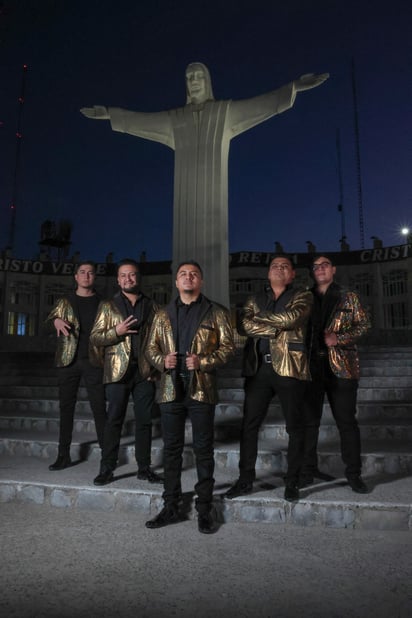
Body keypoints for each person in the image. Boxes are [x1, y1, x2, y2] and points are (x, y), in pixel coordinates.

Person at [80, 63, 328, 307]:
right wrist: (112, 114)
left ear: (208, 81)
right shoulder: (175, 119)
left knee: (213, 269)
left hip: (213, 207)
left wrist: (292, 87)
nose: (194, 80)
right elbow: (142, 121)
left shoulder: (224, 112)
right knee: (183, 254)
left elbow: (261, 104)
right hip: (184, 209)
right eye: (189, 77)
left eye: (198, 75)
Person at [144, 261, 235, 533]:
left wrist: (204, 362)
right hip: (170, 389)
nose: (188, 277)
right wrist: (162, 360)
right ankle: (171, 506)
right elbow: (150, 348)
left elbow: (229, 348)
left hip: (201, 388)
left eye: (193, 274)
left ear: (201, 281)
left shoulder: (216, 312)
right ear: (176, 282)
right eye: (183, 274)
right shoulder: (162, 314)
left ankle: (204, 509)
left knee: (203, 450)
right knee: (171, 450)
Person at [225, 255, 312, 502]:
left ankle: (292, 481)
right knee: (249, 426)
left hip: (289, 368)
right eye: (275, 266)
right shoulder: (256, 298)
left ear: (292, 274)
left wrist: (259, 320)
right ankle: (245, 480)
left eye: (285, 266)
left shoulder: (303, 296)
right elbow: (243, 325)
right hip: (258, 370)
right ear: (268, 273)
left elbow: (292, 319)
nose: (279, 269)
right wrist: (275, 328)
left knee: (295, 427)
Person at [299, 255, 371, 493]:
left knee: (347, 423)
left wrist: (338, 338)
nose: (320, 269)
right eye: (316, 266)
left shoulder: (348, 296)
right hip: (311, 369)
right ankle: (308, 471)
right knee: (309, 423)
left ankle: (353, 474)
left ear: (334, 269)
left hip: (342, 368)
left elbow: (363, 325)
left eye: (325, 265)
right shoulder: (305, 297)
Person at [90, 258, 162, 486]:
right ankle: (107, 468)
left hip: (144, 373)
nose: (127, 278)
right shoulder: (108, 306)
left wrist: (156, 369)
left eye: (131, 274)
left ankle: (144, 468)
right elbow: (95, 338)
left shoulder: (152, 306)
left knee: (144, 421)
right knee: (114, 421)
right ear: (118, 280)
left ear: (138, 278)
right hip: (117, 372)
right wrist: (117, 331)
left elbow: (161, 340)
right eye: (123, 275)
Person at [45, 261, 106, 470]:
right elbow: (49, 318)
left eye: (90, 272)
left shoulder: (103, 302)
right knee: (66, 408)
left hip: (94, 360)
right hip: (67, 361)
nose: (86, 275)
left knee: (99, 408)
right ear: (76, 277)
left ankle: (107, 458)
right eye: (82, 272)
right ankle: (64, 455)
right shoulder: (65, 301)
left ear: (94, 277)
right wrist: (55, 322)